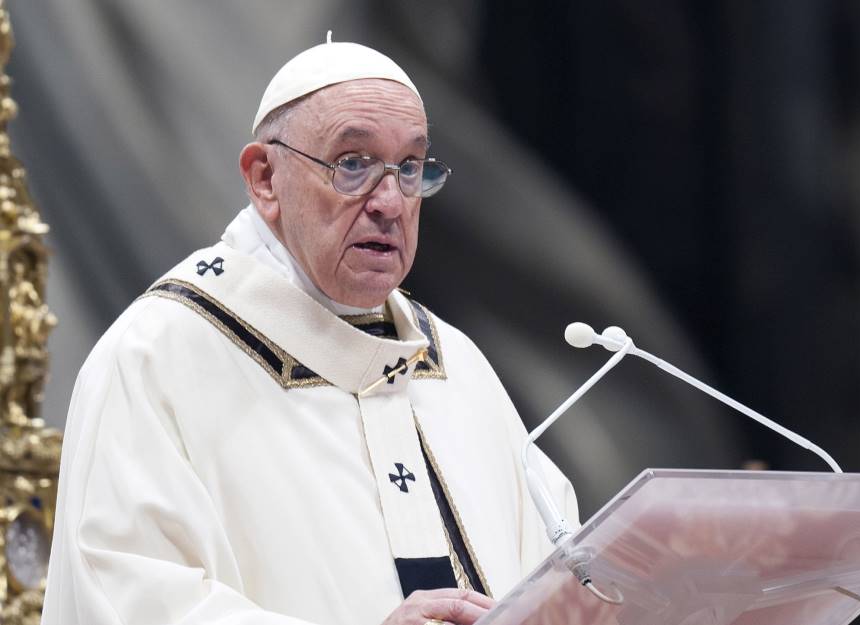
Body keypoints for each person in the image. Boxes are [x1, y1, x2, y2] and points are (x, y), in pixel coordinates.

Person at [42, 35, 578, 625]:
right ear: (264, 178)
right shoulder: (157, 356)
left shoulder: (458, 364)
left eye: (410, 169)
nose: (391, 202)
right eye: (353, 165)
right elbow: (123, 596)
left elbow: (565, 570)